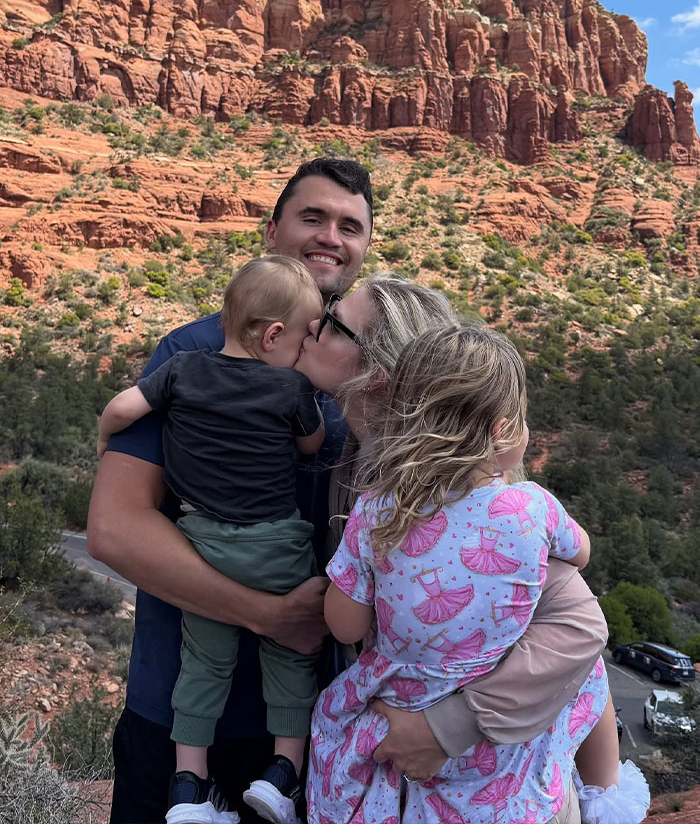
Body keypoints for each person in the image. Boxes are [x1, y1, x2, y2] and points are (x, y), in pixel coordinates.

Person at [88, 159, 607, 824]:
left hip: (330, 731)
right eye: (312, 217)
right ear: (272, 229)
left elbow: (568, 618)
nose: (331, 236)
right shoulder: (193, 356)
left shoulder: (430, 431)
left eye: (351, 226)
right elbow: (112, 529)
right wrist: (269, 613)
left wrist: (451, 725)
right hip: (187, 710)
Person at [303, 323, 649, 824]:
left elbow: (346, 626)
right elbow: (582, 554)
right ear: (504, 430)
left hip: (401, 716)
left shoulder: (377, 511)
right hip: (503, 757)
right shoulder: (531, 508)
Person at [97, 256, 327, 824]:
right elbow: (310, 445)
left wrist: (104, 442)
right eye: (301, 339)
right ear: (275, 335)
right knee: (292, 658)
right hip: (277, 545)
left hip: (202, 544)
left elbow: (123, 407)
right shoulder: (293, 385)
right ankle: (283, 775)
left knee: (202, 664)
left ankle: (188, 790)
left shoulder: (182, 367)